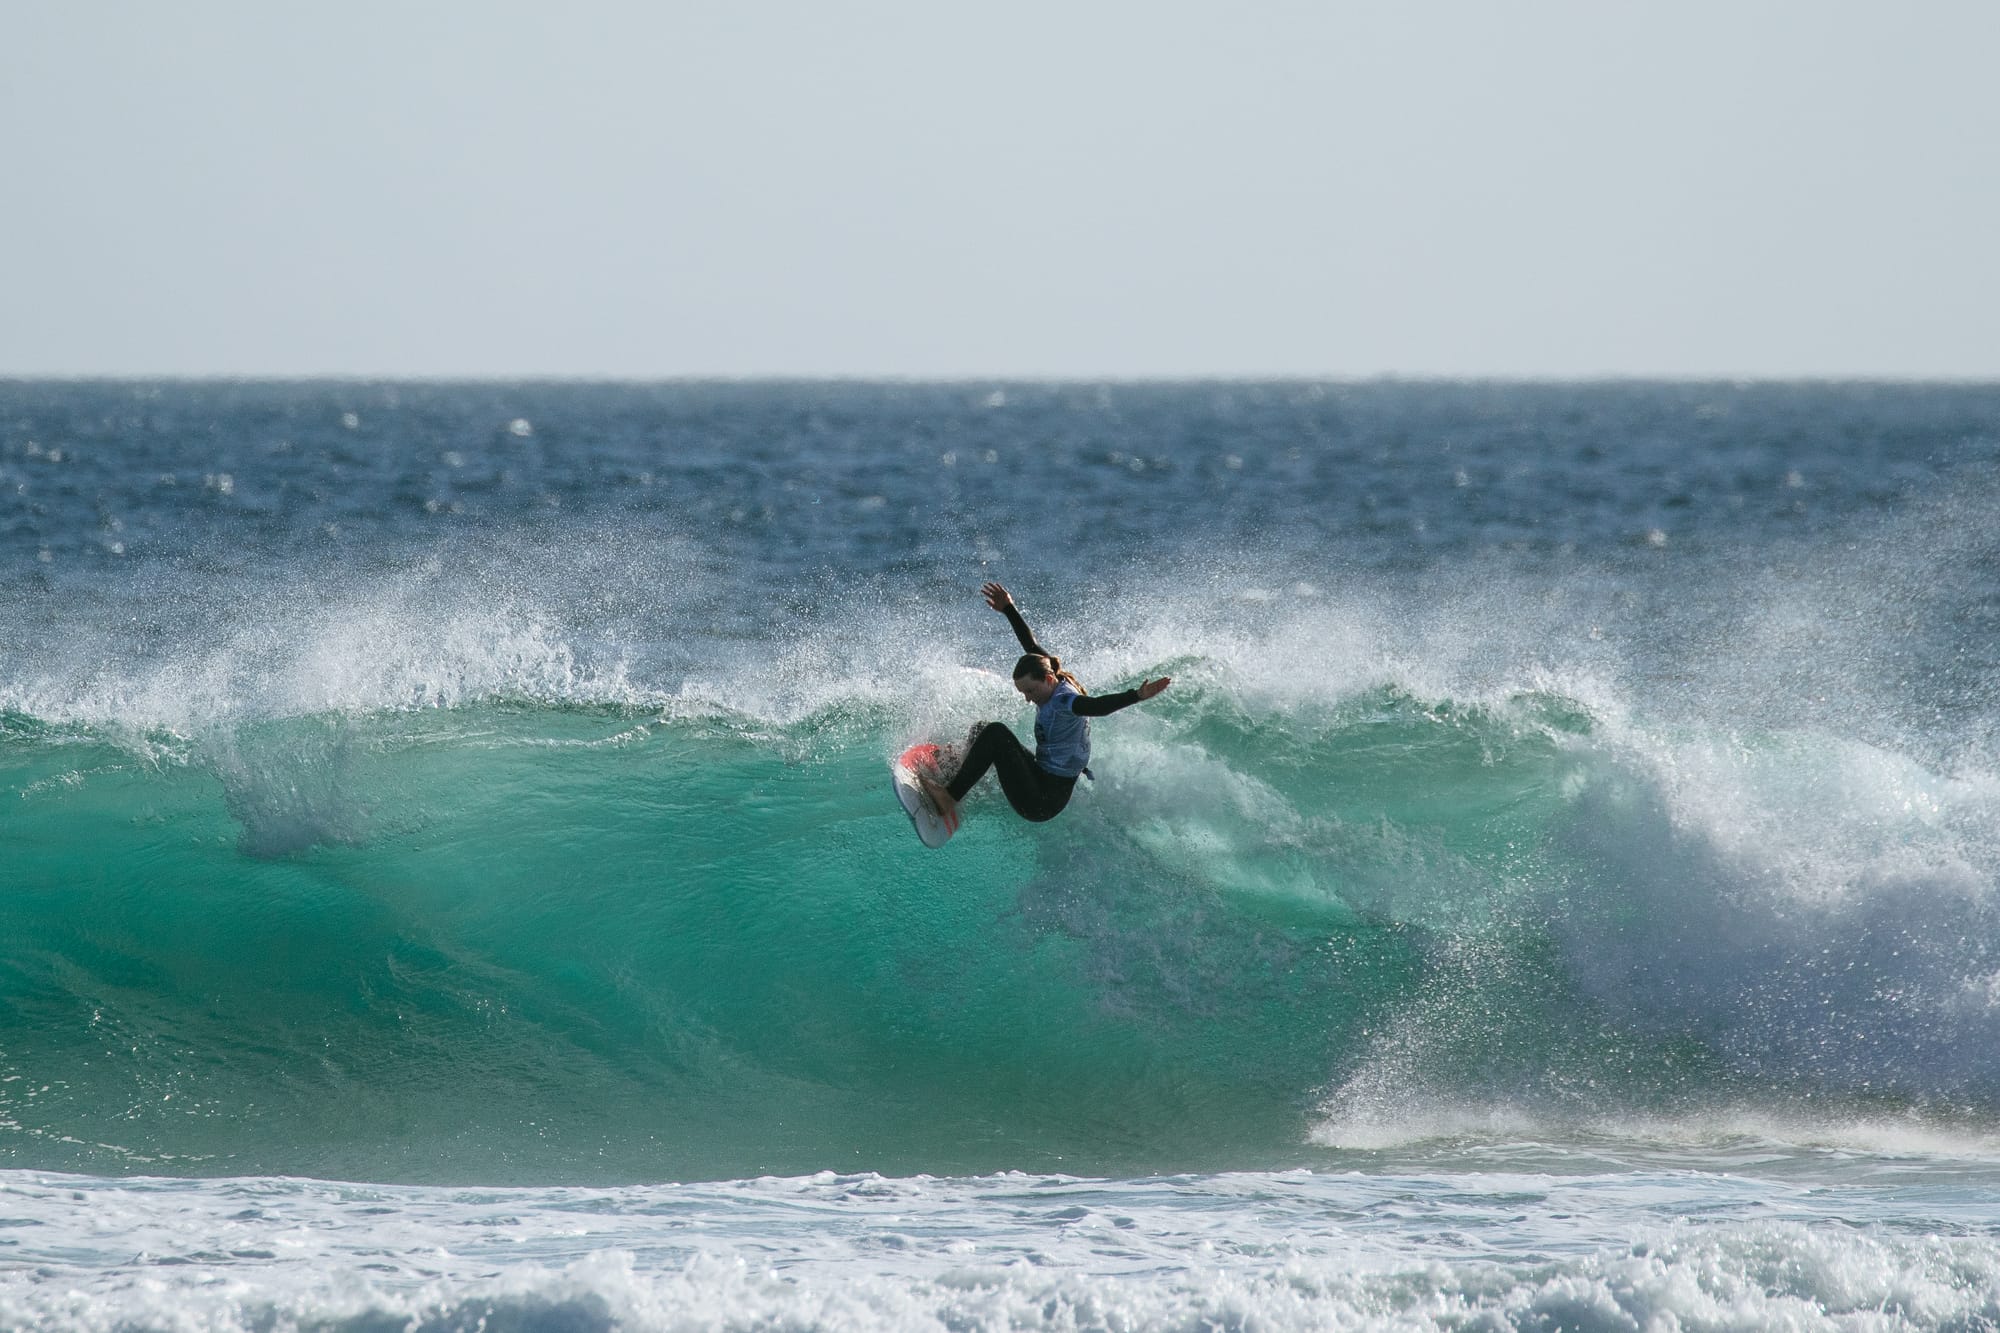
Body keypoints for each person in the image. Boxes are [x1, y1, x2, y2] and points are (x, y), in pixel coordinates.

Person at [917, 582, 1170, 826]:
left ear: (1048, 680)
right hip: (1040, 777)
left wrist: (1136, 695)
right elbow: (1031, 646)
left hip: (1042, 800)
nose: (1028, 698)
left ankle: (949, 797)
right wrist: (1008, 609)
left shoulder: (1064, 701)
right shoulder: (1052, 676)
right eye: (1024, 692)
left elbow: (1098, 706)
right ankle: (952, 776)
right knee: (983, 730)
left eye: (1030, 690)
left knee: (995, 733)